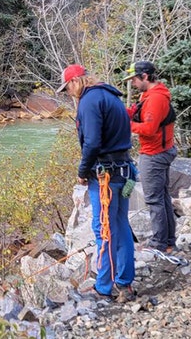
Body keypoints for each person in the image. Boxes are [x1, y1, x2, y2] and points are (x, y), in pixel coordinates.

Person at [58, 63, 136, 302]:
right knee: (121, 225)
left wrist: (82, 170)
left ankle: (103, 286)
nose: (68, 93)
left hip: (106, 177)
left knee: (104, 229)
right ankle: (124, 281)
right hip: (124, 171)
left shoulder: (90, 102)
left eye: (67, 88)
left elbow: (91, 142)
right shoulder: (111, 96)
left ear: (75, 82)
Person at [122, 60, 178, 254]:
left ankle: (159, 243)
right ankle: (168, 241)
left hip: (154, 154)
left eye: (135, 80)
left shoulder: (155, 99)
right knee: (163, 197)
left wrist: (125, 125)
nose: (133, 84)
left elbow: (149, 129)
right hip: (160, 151)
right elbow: (140, 114)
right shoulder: (150, 95)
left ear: (145, 77)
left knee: (154, 200)